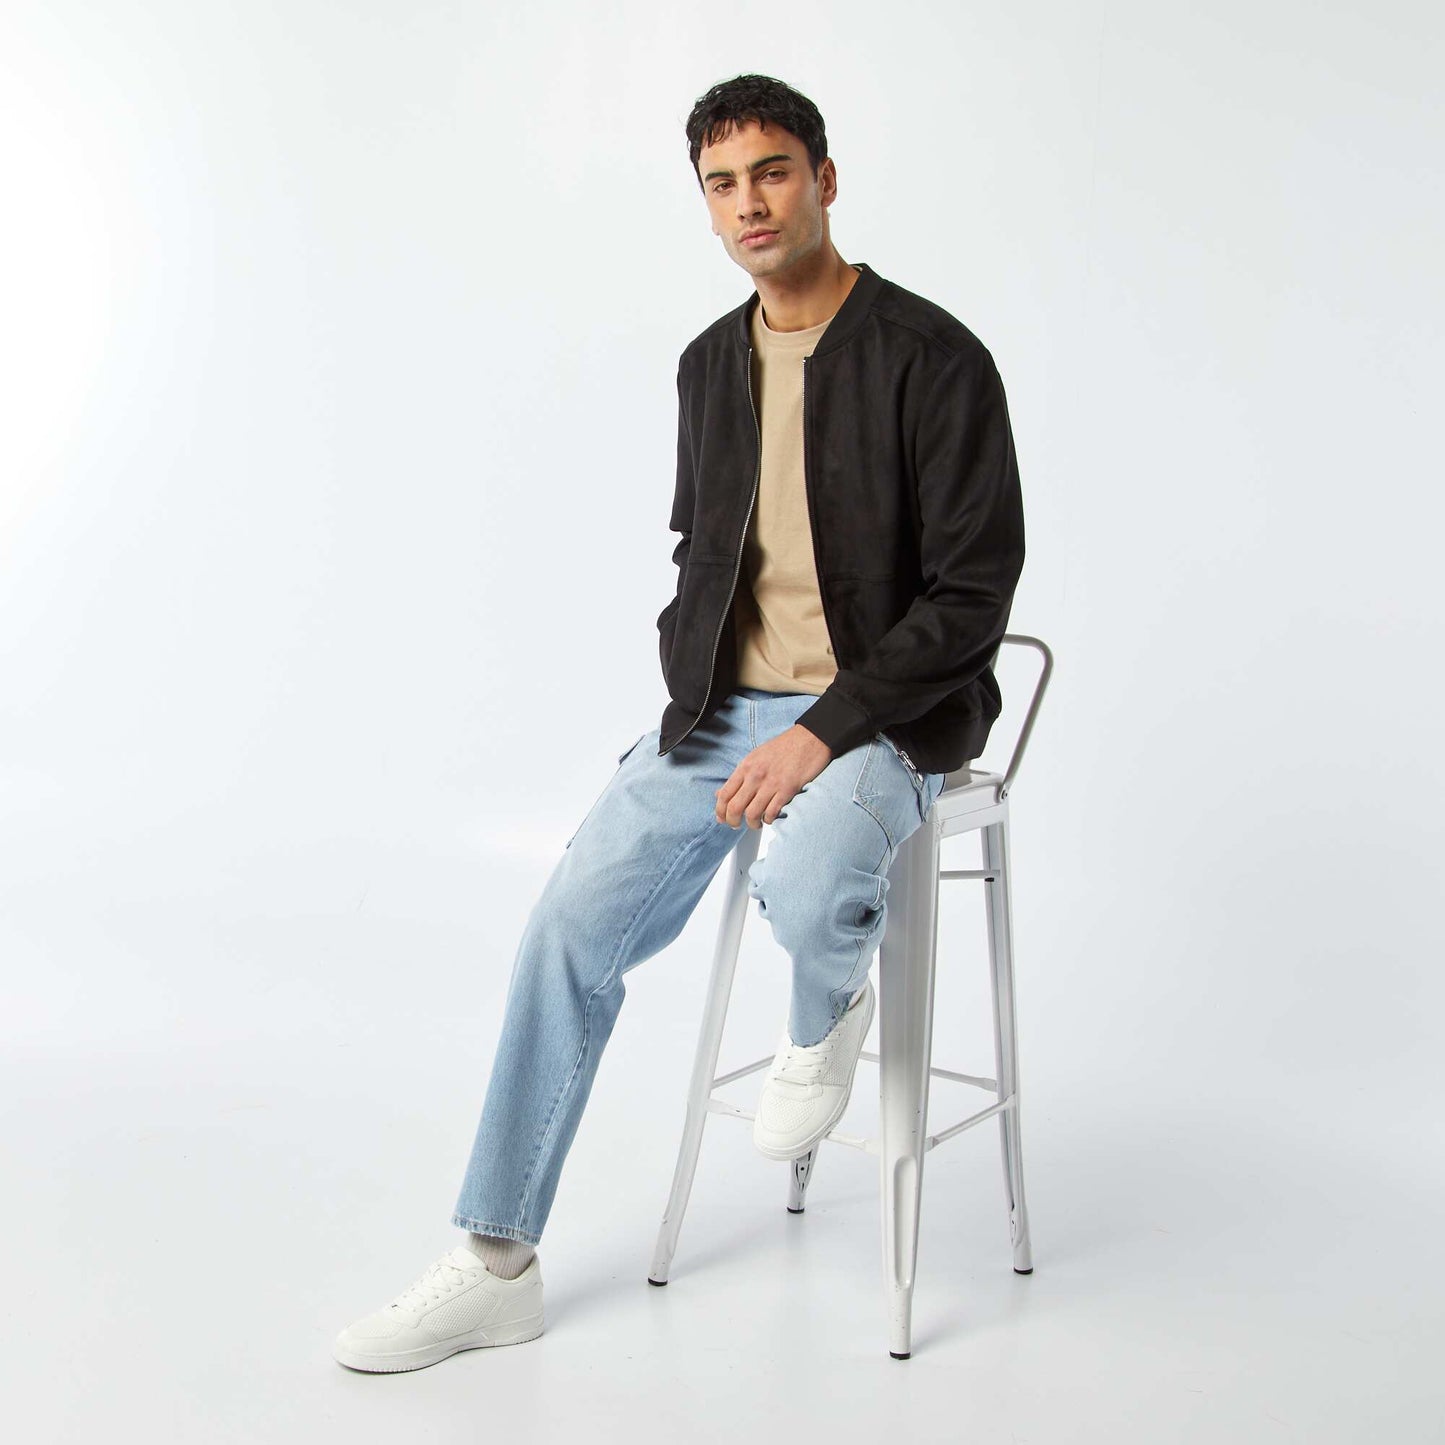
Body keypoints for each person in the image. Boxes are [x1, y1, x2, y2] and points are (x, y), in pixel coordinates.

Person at [333, 72, 1025, 1373]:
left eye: (772, 171)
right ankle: (495, 1260)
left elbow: (974, 592)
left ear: (824, 179)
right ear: (706, 205)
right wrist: (690, 694)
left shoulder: (934, 358)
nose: (750, 202)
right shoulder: (710, 364)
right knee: (568, 925)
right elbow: (700, 549)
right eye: (722, 184)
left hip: (886, 715)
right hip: (721, 711)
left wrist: (823, 728)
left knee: (810, 875)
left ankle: (826, 1007)